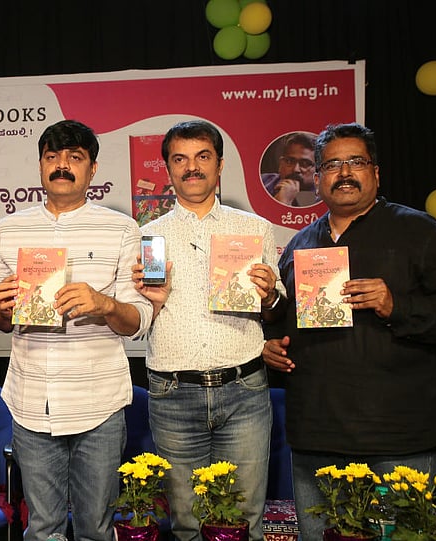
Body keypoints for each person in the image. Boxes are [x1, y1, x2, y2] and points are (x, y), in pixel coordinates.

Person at [262, 123, 436, 541]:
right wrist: (271, 346)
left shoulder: (420, 232)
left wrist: (396, 305)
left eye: (355, 162)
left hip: (398, 439)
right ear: (317, 178)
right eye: (332, 165)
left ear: (375, 172)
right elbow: (283, 322)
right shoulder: (301, 244)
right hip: (318, 436)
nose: (344, 173)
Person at [0, 120, 157, 541]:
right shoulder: (9, 229)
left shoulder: (122, 229)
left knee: (95, 529)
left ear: (92, 169)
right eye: (52, 157)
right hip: (31, 402)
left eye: (75, 158)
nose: (61, 165)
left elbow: (140, 319)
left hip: (98, 403)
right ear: (40, 165)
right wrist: (2, 308)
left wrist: (105, 304)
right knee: (42, 528)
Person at [134, 120, 284, 541]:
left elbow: (274, 310)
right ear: (168, 169)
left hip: (244, 391)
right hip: (172, 394)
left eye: (202, 157)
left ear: (220, 164)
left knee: (244, 521)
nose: (192, 168)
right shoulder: (147, 236)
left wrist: (269, 295)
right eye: (180, 159)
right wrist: (144, 300)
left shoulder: (254, 228)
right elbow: (136, 321)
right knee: (186, 524)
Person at [261, 132, 319, 207]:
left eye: (305, 164)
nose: (296, 169)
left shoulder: (325, 195)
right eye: (289, 161)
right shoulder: (263, 181)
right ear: (281, 164)